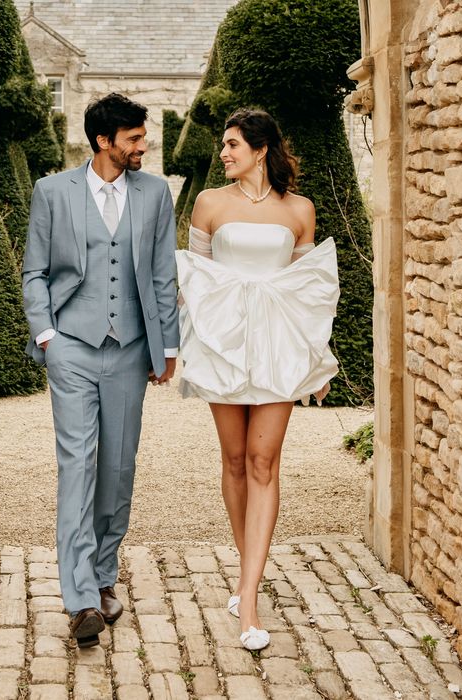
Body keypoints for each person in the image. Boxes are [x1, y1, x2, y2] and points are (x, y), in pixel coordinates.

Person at [176, 108, 339, 651]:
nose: (223, 153)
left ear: (260, 149)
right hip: (224, 344)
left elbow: (309, 289)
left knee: (264, 462)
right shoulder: (208, 204)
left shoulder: (299, 210)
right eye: (223, 145)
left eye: (231, 144)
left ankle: (248, 597)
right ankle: (248, 568)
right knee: (234, 461)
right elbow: (192, 282)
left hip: (278, 348)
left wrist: (319, 358)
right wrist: (180, 348)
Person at [22, 93, 179, 648]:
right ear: (104, 141)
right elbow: (34, 269)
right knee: (77, 467)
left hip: (131, 350)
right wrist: (47, 335)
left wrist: (169, 346)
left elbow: (163, 272)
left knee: (116, 469)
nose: (144, 146)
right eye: (134, 139)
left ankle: (105, 574)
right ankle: (81, 598)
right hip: (71, 348)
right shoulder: (52, 192)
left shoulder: (156, 193)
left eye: (143, 137)